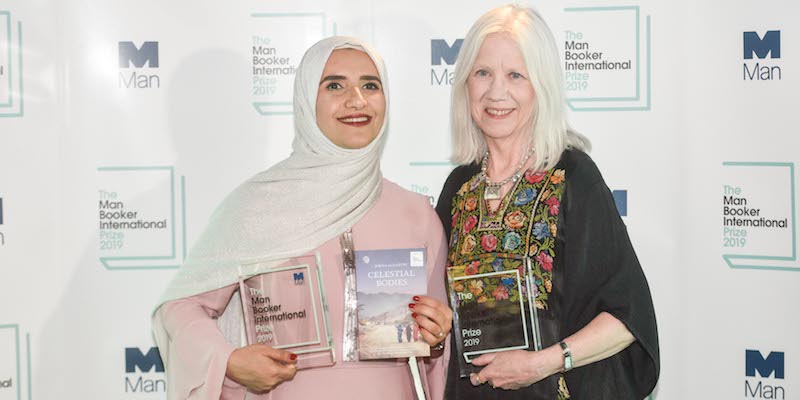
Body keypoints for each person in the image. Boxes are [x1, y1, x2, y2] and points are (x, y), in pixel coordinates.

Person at [152, 36, 452, 399]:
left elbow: (437, 355)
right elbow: (181, 307)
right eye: (335, 85)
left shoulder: (414, 212)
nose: (356, 100)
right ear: (308, 99)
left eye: (370, 85)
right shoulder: (260, 203)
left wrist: (435, 338)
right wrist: (228, 360)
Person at [435, 5, 659, 400]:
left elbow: (628, 318)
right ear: (465, 84)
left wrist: (542, 363)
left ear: (542, 85)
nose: (496, 92)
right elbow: (441, 317)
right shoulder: (458, 188)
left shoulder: (572, 176)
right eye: (482, 73)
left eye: (515, 75)